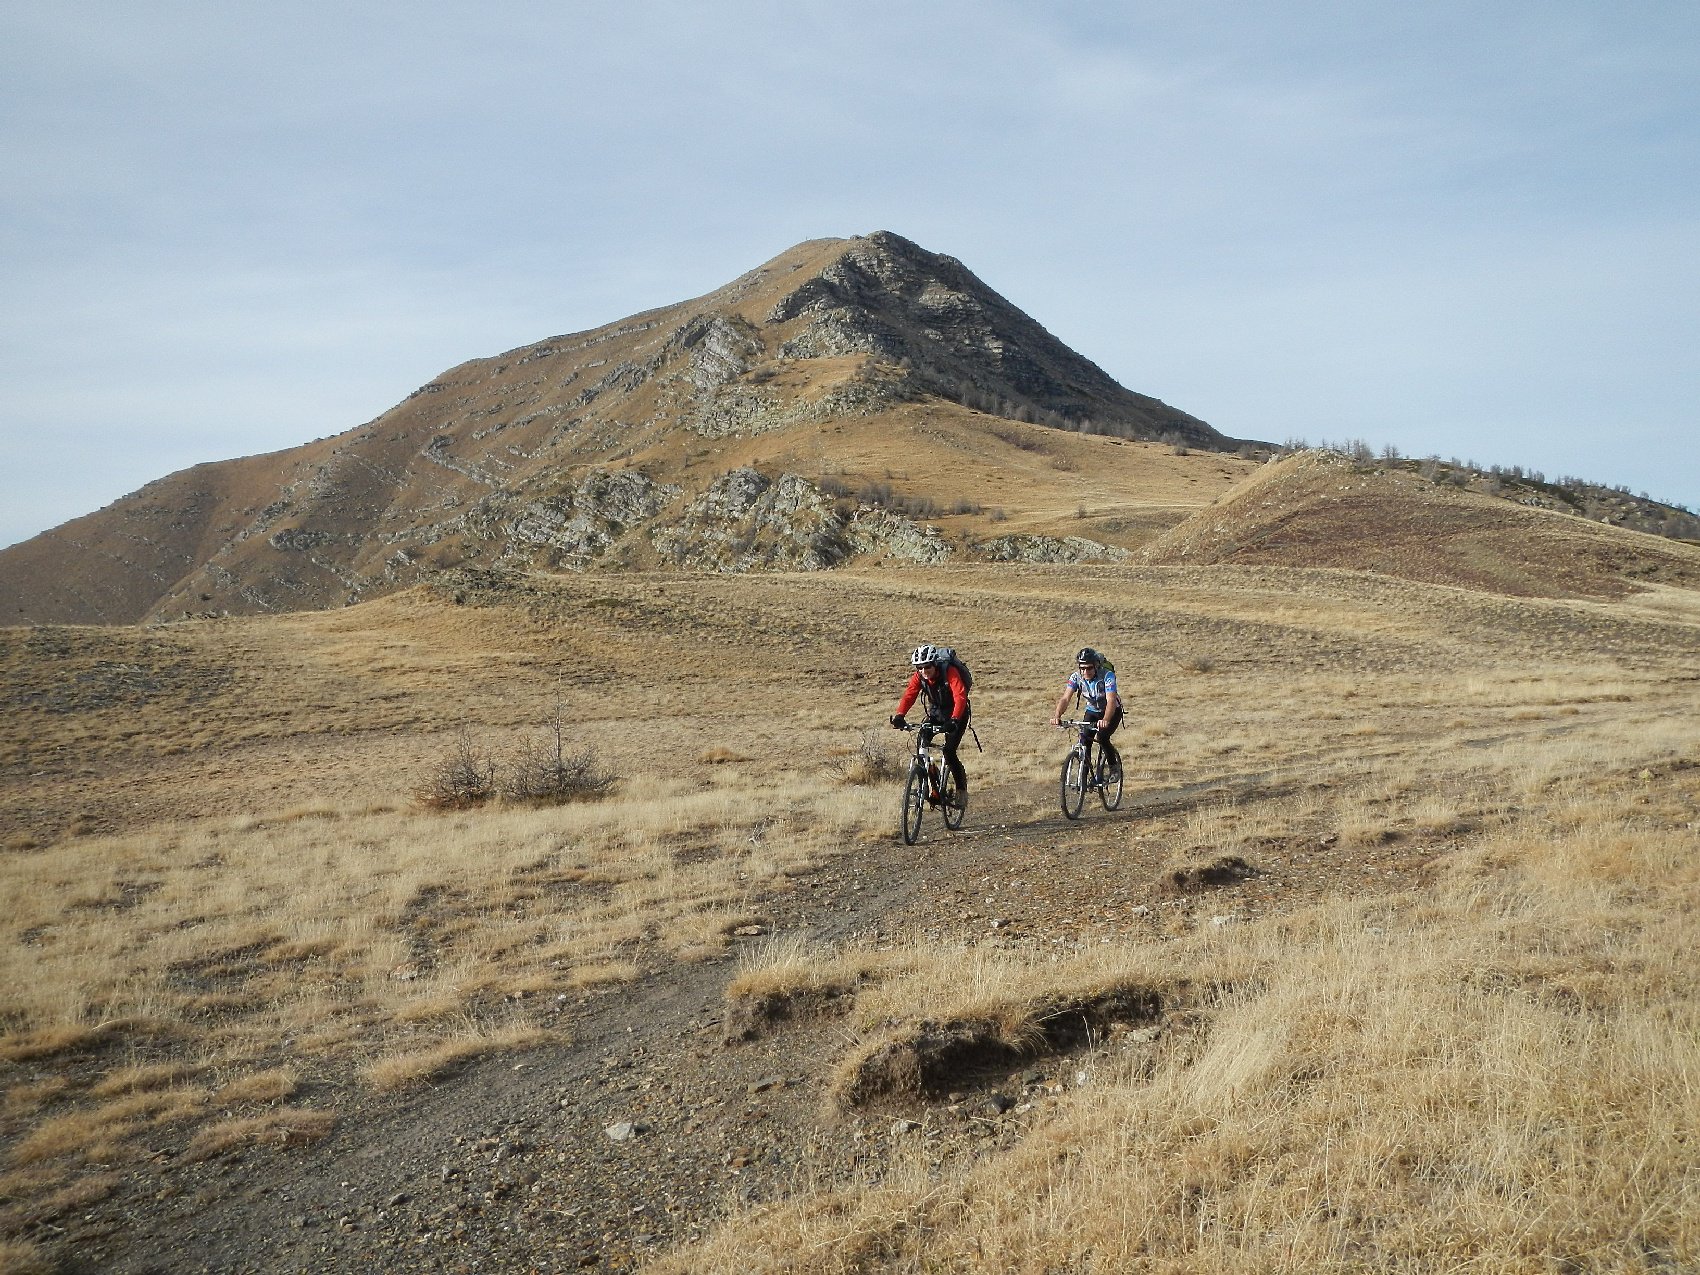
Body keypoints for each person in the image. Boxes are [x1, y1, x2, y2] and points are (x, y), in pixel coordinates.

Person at [890, 644, 970, 809]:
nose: (924, 671)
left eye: (927, 667)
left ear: (934, 664)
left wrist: (954, 719)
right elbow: (909, 694)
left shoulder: (949, 672)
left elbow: (960, 695)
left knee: (949, 752)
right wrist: (900, 715)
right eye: (919, 668)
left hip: (958, 713)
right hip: (936, 713)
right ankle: (927, 782)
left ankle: (961, 790)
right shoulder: (919, 677)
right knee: (921, 741)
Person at [1052, 647, 1121, 776]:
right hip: (1092, 711)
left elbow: (1111, 700)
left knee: (1102, 737)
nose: (1085, 671)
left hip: (1112, 711)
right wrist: (1057, 716)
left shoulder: (1107, 676)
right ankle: (1084, 777)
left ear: (1096, 666)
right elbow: (1065, 698)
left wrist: (1106, 719)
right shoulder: (1076, 677)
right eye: (1082, 668)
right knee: (1084, 740)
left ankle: (1114, 768)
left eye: (1089, 668)